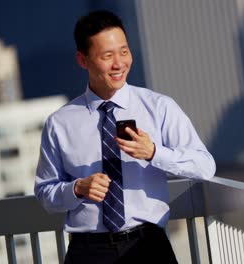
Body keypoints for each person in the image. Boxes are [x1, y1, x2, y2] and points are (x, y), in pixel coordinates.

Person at [34, 10, 216, 263]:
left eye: (124, 51)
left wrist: (154, 153)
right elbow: (45, 194)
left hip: (148, 247)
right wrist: (77, 188)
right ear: (82, 60)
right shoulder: (59, 123)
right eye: (107, 56)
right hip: (88, 252)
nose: (119, 63)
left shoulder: (159, 107)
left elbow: (205, 166)